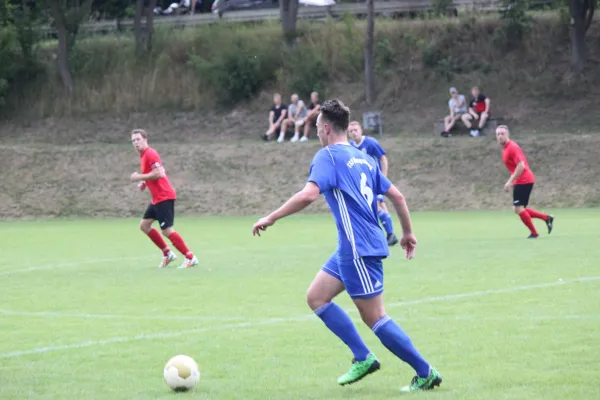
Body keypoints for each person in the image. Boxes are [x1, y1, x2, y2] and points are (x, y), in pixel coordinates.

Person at [252, 100, 442, 392]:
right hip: (352, 246)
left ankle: (425, 371)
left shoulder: (328, 156)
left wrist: (272, 217)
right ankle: (362, 356)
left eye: (316, 128)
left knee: (375, 317)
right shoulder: (362, 156)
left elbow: (307, 195)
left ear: (326, 128)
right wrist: (407, 233)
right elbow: (399, 197)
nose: (316, 133)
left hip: (358, 248)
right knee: (316, 297)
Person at [130, 129, 198, 268]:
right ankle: (167, 253)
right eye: (133, 140)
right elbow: (158, 171)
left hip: (164, 196)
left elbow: (158, 174)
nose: (136, 142)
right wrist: (145, 182)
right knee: (144, 225)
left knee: (167, 230)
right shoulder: (144, 156)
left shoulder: (150, 153)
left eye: (138, 139)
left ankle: (190, 257)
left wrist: (139, 177)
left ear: (145, 139)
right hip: (157, 198)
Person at [496, 125, 554, 238]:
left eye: (502, 134)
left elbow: (521, 166)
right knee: (518, 208)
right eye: (498, 134)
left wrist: (510, 181)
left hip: (524, 180)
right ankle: (546, 218)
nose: (500, 136)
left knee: (518, 208)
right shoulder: (505, 149)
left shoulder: (512, 147)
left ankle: (534, 233)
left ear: (507, 134)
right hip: (520, 180)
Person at [348, 121, 399, 246]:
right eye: (351, 131)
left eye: (355, 130)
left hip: (374, 180)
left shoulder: (370, 143)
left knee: (376, 205)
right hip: (361, 183)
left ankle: (385, 235)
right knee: (379, 205)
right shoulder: (349, 146)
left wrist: (383, 178)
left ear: (361, 130)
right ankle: (390, 234)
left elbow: (383, 159)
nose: (353, 133)